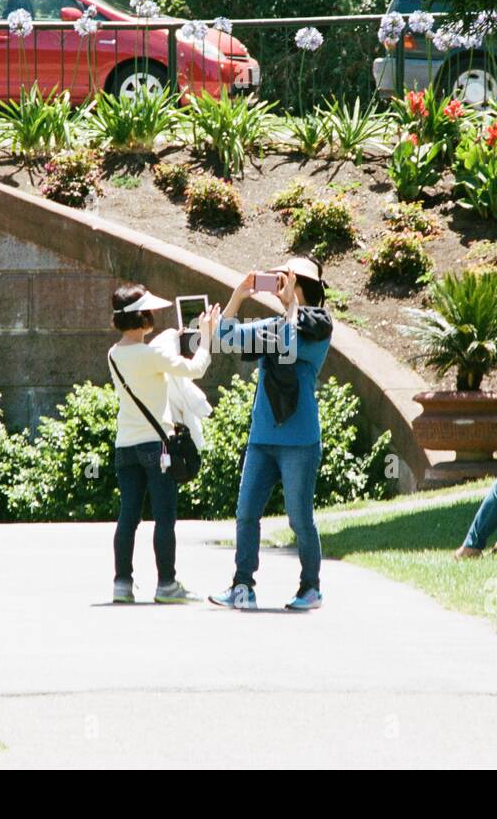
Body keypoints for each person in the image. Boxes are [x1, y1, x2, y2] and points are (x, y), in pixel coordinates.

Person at [208, 259, 333, 611]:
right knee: (246, 511)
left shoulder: (319, 327)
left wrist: (290, 307)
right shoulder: (277, 325)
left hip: (299, 440)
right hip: (262, 437)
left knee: (298, 517)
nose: (277, 285)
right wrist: (238, 296)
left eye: (285, 280)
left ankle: (311, 587)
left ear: (300, 285)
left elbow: (291, 343)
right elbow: (224, 338)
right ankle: (242, 585)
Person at [107, 283, 220, 604]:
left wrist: (172, 336)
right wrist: (206, 334)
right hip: (157, 449)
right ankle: (166, 584)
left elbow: (150, 358)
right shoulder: (151, 355)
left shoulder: (114, 354)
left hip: (125, 446)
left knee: (128, 516)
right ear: (142, 319)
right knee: (164, 516)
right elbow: (196, 368)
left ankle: (122, 584)